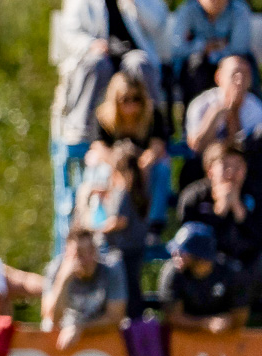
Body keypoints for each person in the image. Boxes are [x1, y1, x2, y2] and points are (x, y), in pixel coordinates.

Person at [57, 0, 171, 142]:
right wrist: (91, 44)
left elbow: (159, 25)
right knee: (96, 64)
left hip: (131, 58)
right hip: (102, 57)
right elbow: (69, 31)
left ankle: (155, 128)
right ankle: (82, 128)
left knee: (140, 63)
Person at [87, 70, 171, 228]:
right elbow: (98, 145)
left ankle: (154, 223)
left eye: (136, 99)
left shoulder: (151, 114)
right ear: (115, 99)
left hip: (142, 165)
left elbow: (158, 143)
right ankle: (101, 223)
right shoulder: (103, 116)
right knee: (99, 169)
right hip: (114, 165)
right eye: (125, 100)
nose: (131, 105)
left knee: (162, 168)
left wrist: (144, 162)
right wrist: (118, 166)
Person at [75, 141, 147, 305]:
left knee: (128, 288)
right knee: (133, 285)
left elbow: (119, 221)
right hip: (134, 247)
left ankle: (133, 323)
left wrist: (96, 229)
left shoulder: (124, 193)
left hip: (125, 249)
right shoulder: (135, 191)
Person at [170, 0, 255, 103]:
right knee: (194, 65)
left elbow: (239, 48)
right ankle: (192, 117)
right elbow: (178, 48)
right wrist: (204, 46)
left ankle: (248, 116)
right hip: (199, 68)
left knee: (241, 68)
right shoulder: (188, 10)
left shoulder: (239, 9)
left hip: (229, 61)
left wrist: (216, 53)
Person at [176, 139, 262, 271]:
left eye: (238, 165)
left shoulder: (254, 194)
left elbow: (257, 237)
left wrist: (240, 210)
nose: (231, 173)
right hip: (205, 268)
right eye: (226, 165)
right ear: (210, 170)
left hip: (247, 268)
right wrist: (219, 211)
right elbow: (188, 240)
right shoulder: (194, 197)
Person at [41, 227, 128, 350]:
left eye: (92, 251)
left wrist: (81, 328)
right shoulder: (56, 269)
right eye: (80, 253)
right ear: (67, 254)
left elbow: (116, 317)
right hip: (64, 334)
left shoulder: (111, 268)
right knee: (47, 326)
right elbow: (50, 318)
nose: (88, 259)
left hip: (100, 332)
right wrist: (63, 281)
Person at [158, 223, 253, 335]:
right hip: (183, 341)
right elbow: (172, 317)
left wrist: (228, 322)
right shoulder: (172, 272)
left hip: (224, 342)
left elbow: (240, 315)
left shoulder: (232, 273)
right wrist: (206, 324)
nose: (175, 254)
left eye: (182, 251)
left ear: (200, 256)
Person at [187, 54, 262, 155]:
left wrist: (234, 112)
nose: (239, 81)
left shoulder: (255, 105)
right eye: (234, 74)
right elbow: (196, 146)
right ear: (218, 77)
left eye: (245, 74)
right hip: (206, 163)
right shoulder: (201, 104)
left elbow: (242, 147)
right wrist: (215, 114)